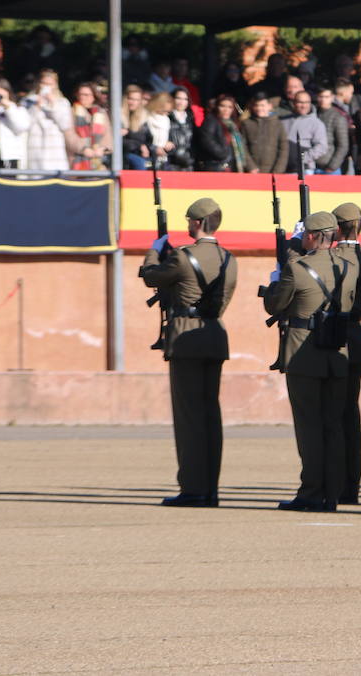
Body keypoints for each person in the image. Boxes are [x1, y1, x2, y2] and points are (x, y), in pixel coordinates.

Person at [139, 197, 237, 508]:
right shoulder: (228, 258)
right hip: (214, 335)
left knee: (190, 417)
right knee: (210, 415)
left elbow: (150, 276)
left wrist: (156, 250)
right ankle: (210, 487)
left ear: (197, 223)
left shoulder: (182, 257)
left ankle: (194, 488)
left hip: (185, 338)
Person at [264, 211, 356, 513]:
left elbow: (276, 304)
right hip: (338, 352)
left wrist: (276, 280)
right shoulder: (349, 267)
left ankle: (311, 491)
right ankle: (332, 492)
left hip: (305, 352)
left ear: (314, 237)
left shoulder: (297, 268)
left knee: (309, 427)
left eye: (306, 235)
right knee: (333, 426)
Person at [331, 203, 361, 504]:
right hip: (357, 335)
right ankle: (352, 485)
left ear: (337, 228)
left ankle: (333, 482)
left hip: (332, 337)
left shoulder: (331, 257)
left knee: (331, 415)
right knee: (351, 415)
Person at [21, 71, 75, 171]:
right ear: (38, 83)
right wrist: (36, 107)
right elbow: (24, 124)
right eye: (43, 83)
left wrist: (53, 104)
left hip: (55, 150)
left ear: (55, 85)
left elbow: (64, 125)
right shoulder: (28, 100)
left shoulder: (62, 102)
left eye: (50, 84)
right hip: (35, 147)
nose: (46, 87)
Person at [194, 96, 255, 173]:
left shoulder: (233, 124)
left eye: (230, 107)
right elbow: (206, 140)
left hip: (230, 167)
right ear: (217, 107)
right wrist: (223, 153)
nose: (226, 110)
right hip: (216, 167)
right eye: (222, 106)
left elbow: (241, 146)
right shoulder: (211, 120)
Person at [281, 90, 330, 176]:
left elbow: (322, 146)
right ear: (294, 103)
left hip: (304, 170)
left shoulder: (316, 123)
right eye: (300, 102)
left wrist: (302, 159)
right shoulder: (283, 120)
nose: (304, 106)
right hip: (283, 169)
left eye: (307, 102)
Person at [241, 92, 289, 174]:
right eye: (256, 105)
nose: (259, 108)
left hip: (273, 171)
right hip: (253, 171)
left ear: (269, 106)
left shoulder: (277, 124)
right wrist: (251, 167)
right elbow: (242, 146)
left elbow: (284, 148)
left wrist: (278, 170)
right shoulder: (247, 123)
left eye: (262, 105)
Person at [314, 87, 351, 175]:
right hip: (312, 166)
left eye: (326, 97)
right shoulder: (313, 114)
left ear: (332, 97)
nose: (323, 100)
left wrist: (332, 166)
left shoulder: (338, 117)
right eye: (321, 96)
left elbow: (343, 145)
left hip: (329, 168)